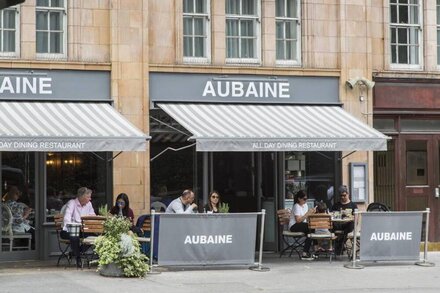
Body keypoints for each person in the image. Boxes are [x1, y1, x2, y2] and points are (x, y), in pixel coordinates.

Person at [61, 187, 95, 267]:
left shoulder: (89, 204)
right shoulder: (72, 203)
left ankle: (74, 253)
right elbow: (67, 218)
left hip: (82, 230)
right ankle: (78, 258)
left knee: (94, 237)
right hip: (68, 230)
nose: (90, 199)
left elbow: (92, 216)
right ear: (82, 197)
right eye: (88, 197)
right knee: (74, 237)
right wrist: (73, 226)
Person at [289, 190, 316, 260]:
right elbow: (298, 220)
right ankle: (311, 250)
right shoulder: (296, 206)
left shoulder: (305, 205)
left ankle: (307, 251)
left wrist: (311, 213)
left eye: (306, 199)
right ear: (299, 199)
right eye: (304, 199)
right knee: (310, 228)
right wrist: (307, 213)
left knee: (312, 228)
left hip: (302, 225)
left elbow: (305, 219)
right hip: (294, 226)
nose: (305, 201)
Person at [331, 185, 358, 255]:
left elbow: (356, 219)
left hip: (347, 226)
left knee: (352, 224)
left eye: (344, 195)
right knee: (331, 224)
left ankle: (339, 239)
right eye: (341, 196)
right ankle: (340, 240)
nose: (342, 197)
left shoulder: (353, 205)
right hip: (338, 225)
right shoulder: (336, 205)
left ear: (348, 194)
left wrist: (350, 216)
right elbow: (331, 216)